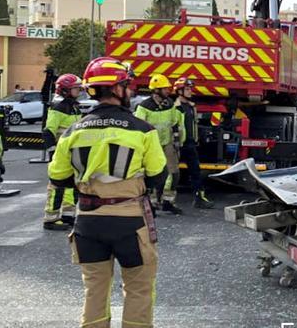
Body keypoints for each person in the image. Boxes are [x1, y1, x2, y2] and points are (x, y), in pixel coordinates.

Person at [48, 56, 167, 328]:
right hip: (130, 221)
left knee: (95, 292)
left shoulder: (73, 131)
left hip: (88, 221)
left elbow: (57, 177)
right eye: (127, 85)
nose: (130, 91)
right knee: (138, 290)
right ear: (116, 89)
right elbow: (159, 175)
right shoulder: (142, 130)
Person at [135, 74, 184, 215]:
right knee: (151, 173)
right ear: (156, 90)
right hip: (151, 145)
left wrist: (176, 142)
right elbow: (139, 127)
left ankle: (168, 201)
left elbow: (175, 123)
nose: (168, 91)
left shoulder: (169, 104)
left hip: (167, 143)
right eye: (165, 89)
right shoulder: (144, 107)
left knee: (173, 173)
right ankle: (150, 201)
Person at [42, 73, 84, 230]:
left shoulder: (74, 107)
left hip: (72, 152)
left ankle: (67, 214)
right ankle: (50, 218)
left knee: (72, 185)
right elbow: (48, 131)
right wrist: (52, 151)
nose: (78, 91)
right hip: (60, 152)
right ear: (66, 90)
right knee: (57, 186)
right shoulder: (58, 108)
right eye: (75, 88)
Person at [173, 77, 213, 209]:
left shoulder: (191, 107)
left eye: (190, 89)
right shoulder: (174, 107)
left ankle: (199, 198)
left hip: (190, 144)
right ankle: (164, 200)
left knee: (196, 172)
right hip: (177, 145)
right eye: (187, 89)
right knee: (171, 174)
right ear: (179, 91)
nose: (190, 91)